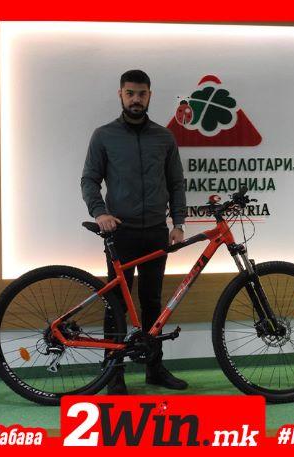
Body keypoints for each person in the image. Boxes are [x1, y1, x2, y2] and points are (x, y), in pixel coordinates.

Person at [81, 69, 188, 394]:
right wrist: (100, 213)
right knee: (116, 304)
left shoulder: (164, 137)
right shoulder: (103, 135)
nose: (136, 99)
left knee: (152, 303)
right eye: (130, 93)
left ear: (149, 96)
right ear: (121, 95)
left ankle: (154, 368)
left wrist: (178, 223)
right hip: (120, 233)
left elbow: (176, 183)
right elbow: (89, 180)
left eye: (141, 94)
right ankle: (113, 373)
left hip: (155, 232)